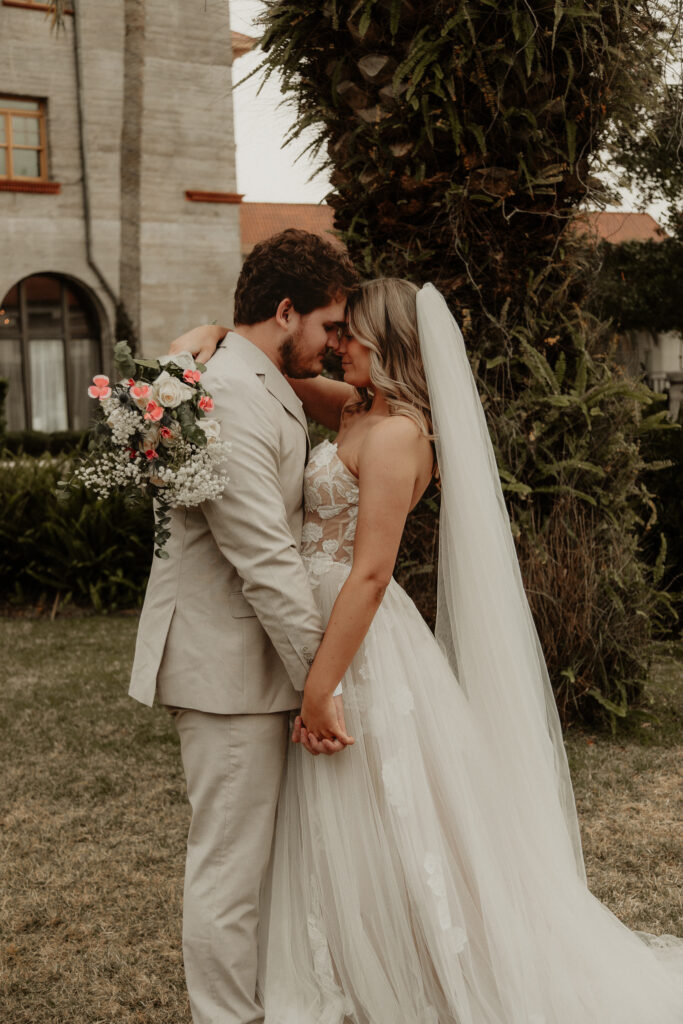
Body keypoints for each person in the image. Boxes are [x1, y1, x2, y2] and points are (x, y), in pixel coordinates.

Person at [182, 277, 683, 1023]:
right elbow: (280, 377)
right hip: (310, 626)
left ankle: (427, 970)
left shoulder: (398, 436)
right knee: (336, 813)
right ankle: (348, 958)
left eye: (348, 334)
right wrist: (209, 345)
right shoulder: (354, 409)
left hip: (360, 640)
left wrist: (321, 686)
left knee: (394, 809)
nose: (335, 345)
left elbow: (373, 573)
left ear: (386, 342)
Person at [128, 228, 358, 1024]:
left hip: (254, 662)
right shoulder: (223, 397)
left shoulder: (253, 375)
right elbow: (263, 559)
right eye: (328, 327)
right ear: (286, 310)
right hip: (224, 666)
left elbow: (336, 402)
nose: (335, 346)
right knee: (228, 870)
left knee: (257, 865)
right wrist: (318, 685)